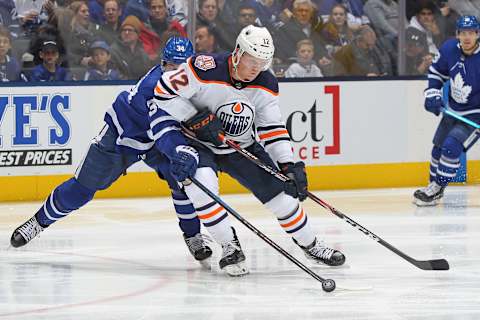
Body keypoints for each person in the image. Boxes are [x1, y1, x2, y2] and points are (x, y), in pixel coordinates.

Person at [152, 25, 346, 276]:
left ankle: (311, 244)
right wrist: (194, 118)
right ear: (237, 53)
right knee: (202, 190)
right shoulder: (203, 67)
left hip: (239, 145)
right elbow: (162, 93)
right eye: (252, 61)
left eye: (263, 62)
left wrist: (288, 165)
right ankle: (229, 245)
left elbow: (272, 128)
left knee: (284, 199)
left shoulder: (266, 83)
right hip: (197, 143)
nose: (256, 68)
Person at [10, 37, 213, 268]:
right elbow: (165, 128)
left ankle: (193, 235)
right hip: (122, 136)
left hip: (157, 138)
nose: (174, 72)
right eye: (170, 66)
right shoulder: (152, 88)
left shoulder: (195, 84)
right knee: (82, 190)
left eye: (180, 67)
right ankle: (38, 222)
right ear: (162, 63)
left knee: (182, 178)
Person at [413, 16, 480, 206]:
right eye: (463, 33)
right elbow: (436, 73)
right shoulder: (449, 49)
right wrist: (432, 94)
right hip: (452, 110)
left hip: (475, 117)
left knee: (451, 147)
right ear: (457, 34)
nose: (467, 37)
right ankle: (431, 186)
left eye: (471, 33)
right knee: (438, 148)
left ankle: (437, 189)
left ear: (477, 34)